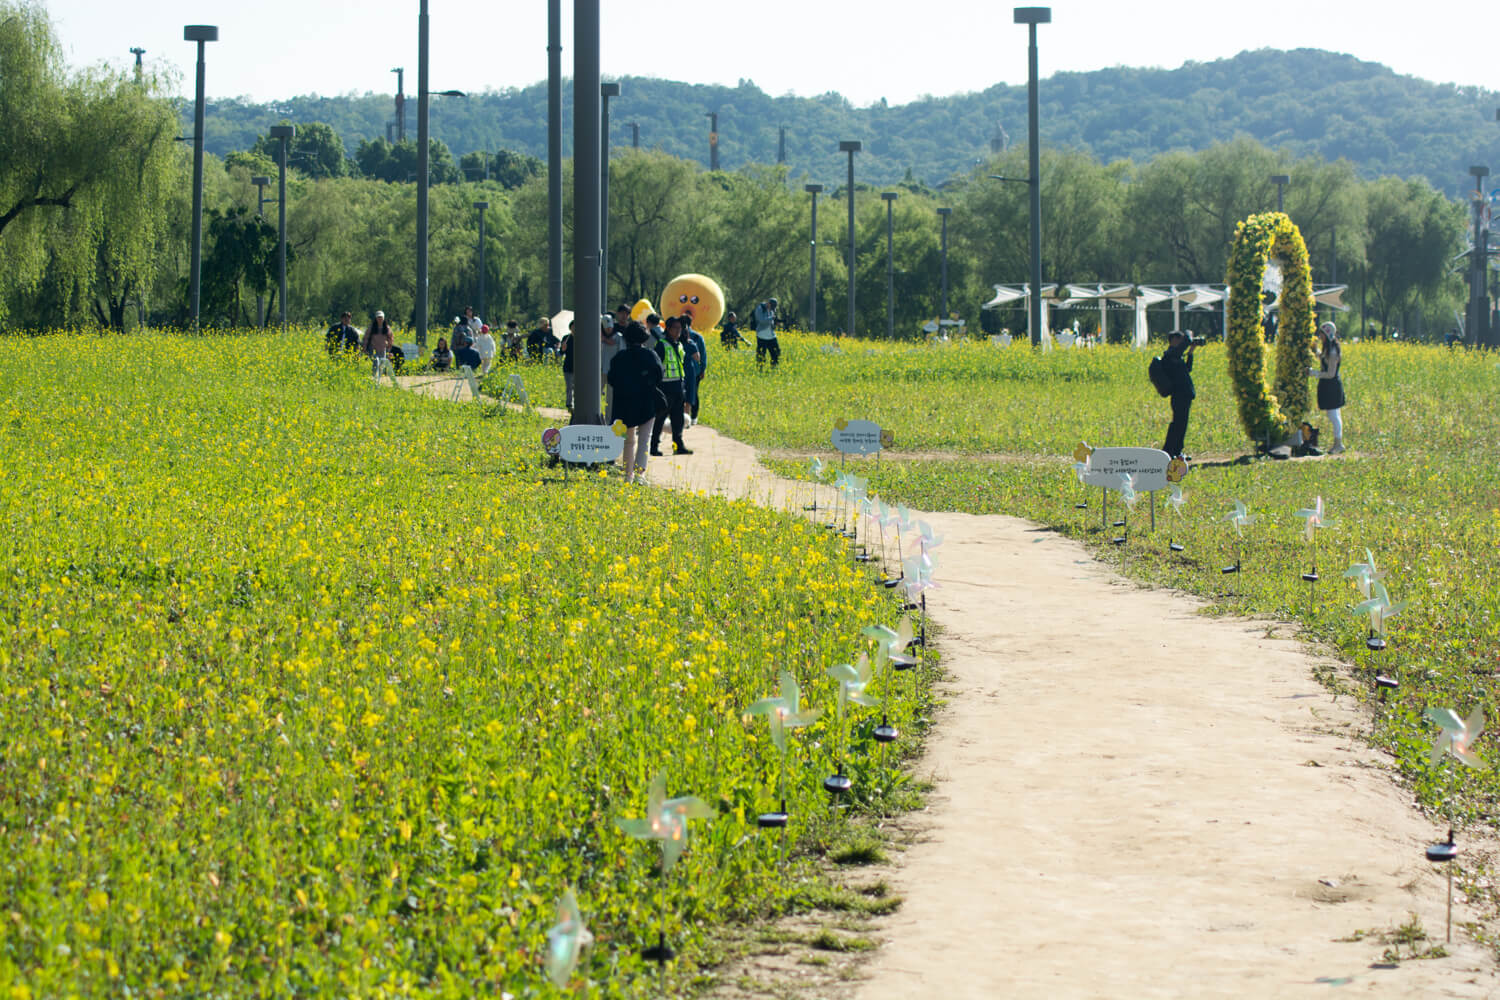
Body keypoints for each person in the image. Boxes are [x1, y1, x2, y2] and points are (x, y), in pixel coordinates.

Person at [607, 321, 665, 484]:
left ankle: (628, 475)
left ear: (626, 338)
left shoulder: (619, 357)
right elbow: (659, 375)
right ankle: (640, 475)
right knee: (645, 439)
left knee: (628, 441)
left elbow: (611, 379)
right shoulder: (650, 355)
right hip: (646, 403)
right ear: (644, 338)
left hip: (624, 404)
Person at [650, 315, 692, 456]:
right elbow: (656, 366)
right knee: (660, 418)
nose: (678, 331)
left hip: (679, 385)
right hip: (665, 387)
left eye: (680, 328)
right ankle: (654, 446)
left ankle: (678, 445)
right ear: (667, 329)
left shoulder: (679, 344)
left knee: (678, 418)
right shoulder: (661, 344)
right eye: (675, 328)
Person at [1159, 330, 1196, 460]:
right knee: (1178, 424)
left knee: (1182, 424)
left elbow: (1187, 369)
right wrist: (1189, 335)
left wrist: (1190, 353)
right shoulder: (1169, 355)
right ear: (1173, 340)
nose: (1182, 343)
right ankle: (1169, 451)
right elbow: (1184, 343)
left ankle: (1177, 451)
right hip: (1178, 395)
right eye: (1179, 340)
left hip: (1184, 395)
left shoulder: (1176, 356)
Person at [1313, 321, 1346, 454]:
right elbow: (1322, 357)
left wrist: (1313, 373)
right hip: (1329, 386)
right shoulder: (1328, 349)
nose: (1320, 337)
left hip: (1332, 387)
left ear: (1327, 335)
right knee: (1334, 414)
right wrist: (1315, 350)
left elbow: (1330, 374)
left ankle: (1338, 444)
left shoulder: (1333, 352)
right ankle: (1338, 443)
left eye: (1321, 335)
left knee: (1333, 415)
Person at [682, 313, 707, 423]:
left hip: (681, 370)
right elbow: (703, 355)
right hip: (695, 370)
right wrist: (703, 369)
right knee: (693, 393)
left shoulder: (677, 336)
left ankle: (686, 416)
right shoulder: (698, 337)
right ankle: (693, 416)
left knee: (682, 393)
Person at [363, 310, 394, 376]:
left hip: (382, 349)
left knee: (381, 365)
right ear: (376, 318)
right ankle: (374, 377)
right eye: (378, 317)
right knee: (375, 362)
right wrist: (365, 349)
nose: (380, 319)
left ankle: (379, 380)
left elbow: (390, 339)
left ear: (383, 318)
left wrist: (389, 350)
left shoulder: (387, 328)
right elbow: (366, 338)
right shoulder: (371, 328)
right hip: (373, 349)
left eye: (381, 317)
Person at [752, 297, 780, 367]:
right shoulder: (760, 308)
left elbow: (770, 322)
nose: (772, 309)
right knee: (761, 356)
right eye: (772, 307)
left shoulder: (772, 310)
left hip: (771, 336)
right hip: (762, 336)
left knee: (776, 353)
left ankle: (774, 370)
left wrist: (775, 324)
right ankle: (760, 371)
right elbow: (761, 320)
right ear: (768, 303)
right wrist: (771, 318)